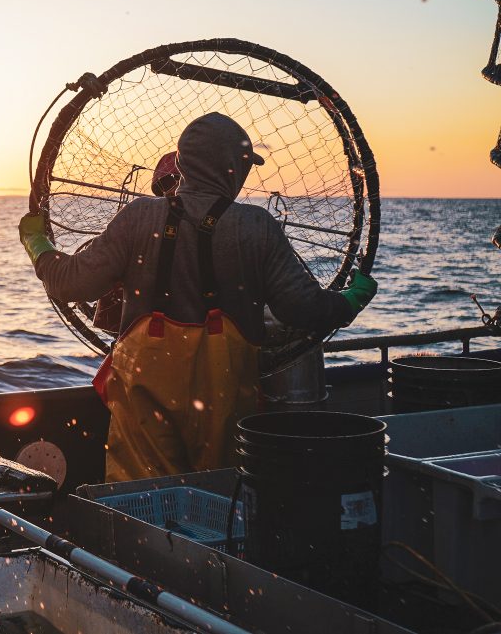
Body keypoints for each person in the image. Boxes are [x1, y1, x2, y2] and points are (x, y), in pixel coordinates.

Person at [20, 112, 376, 482]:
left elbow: (71, 284)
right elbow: (304, 311)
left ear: (183, 162)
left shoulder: (137, 217)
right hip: (222, 393)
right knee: (221, 493)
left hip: (145, 389)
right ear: (232, 167)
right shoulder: (256, 227)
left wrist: (37, 244)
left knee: (144, 494)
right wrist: (350, 301)